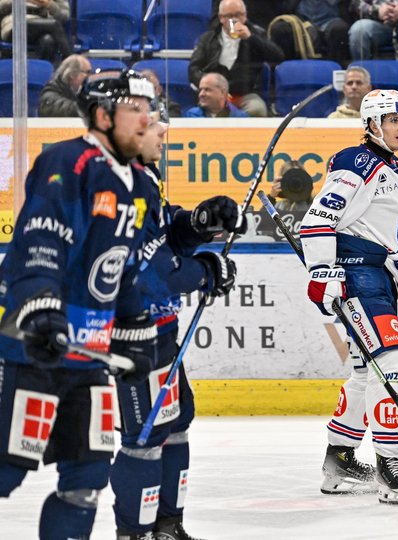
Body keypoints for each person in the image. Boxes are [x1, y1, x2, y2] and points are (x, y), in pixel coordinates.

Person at [0, 69, 162, 540]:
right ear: (102, 115)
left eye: (147, 109)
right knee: (7, 469)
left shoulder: (140, 185)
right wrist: (43, 310)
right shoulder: (68, 162)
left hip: (88, 360)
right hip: (35, 349)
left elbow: (124, 269)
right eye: (134, 108)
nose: (146, 118)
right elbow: (41, 242)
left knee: (87, 480)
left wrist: (134, 333)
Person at [301, 89, 398, 504]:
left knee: (366, 372)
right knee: (390, 355)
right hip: (358, 275)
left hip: (382, 277)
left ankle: (339, 462)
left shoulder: (395, 170)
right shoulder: (357, 161)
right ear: (370, 124)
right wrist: (322, 272)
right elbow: (318, 219)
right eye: (391, 119)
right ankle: (390, 463)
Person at [110, 107, 244, 540]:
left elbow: (164, 233)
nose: (164, 132)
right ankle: (136, 533)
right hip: (132, 333)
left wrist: (200, 224)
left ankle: (167, 526)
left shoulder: (142, 176)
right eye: (154, 123)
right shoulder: (114, 185)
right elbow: (145, 271)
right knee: (144, 436)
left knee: (175, 422)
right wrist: (205, 273)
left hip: (159, 325)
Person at [189, 0, 284, 117]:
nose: (234, 20)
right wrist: (209, 86)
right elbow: (193, 69)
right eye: (229, 16)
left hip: (245, 93)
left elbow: (278, 57)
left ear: (245, 15)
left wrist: (251, 38)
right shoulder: (207, 39)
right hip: (215, 93)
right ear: (221, 18)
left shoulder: (256, 34)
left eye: (238, 15)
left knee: (257, 109)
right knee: (205, 109)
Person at [0, 0, 71, 64]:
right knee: (54, 25)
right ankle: (70, 62)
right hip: (15, 24)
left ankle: (40, 75)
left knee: (48, 40)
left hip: (43, 24)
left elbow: (64, 16)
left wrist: (49, 4)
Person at [184, 73, 250, 118]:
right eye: (200, 90)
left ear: (222, 92)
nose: (201, 94)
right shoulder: (191, 115)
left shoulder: (240, 118)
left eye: (207, 89)